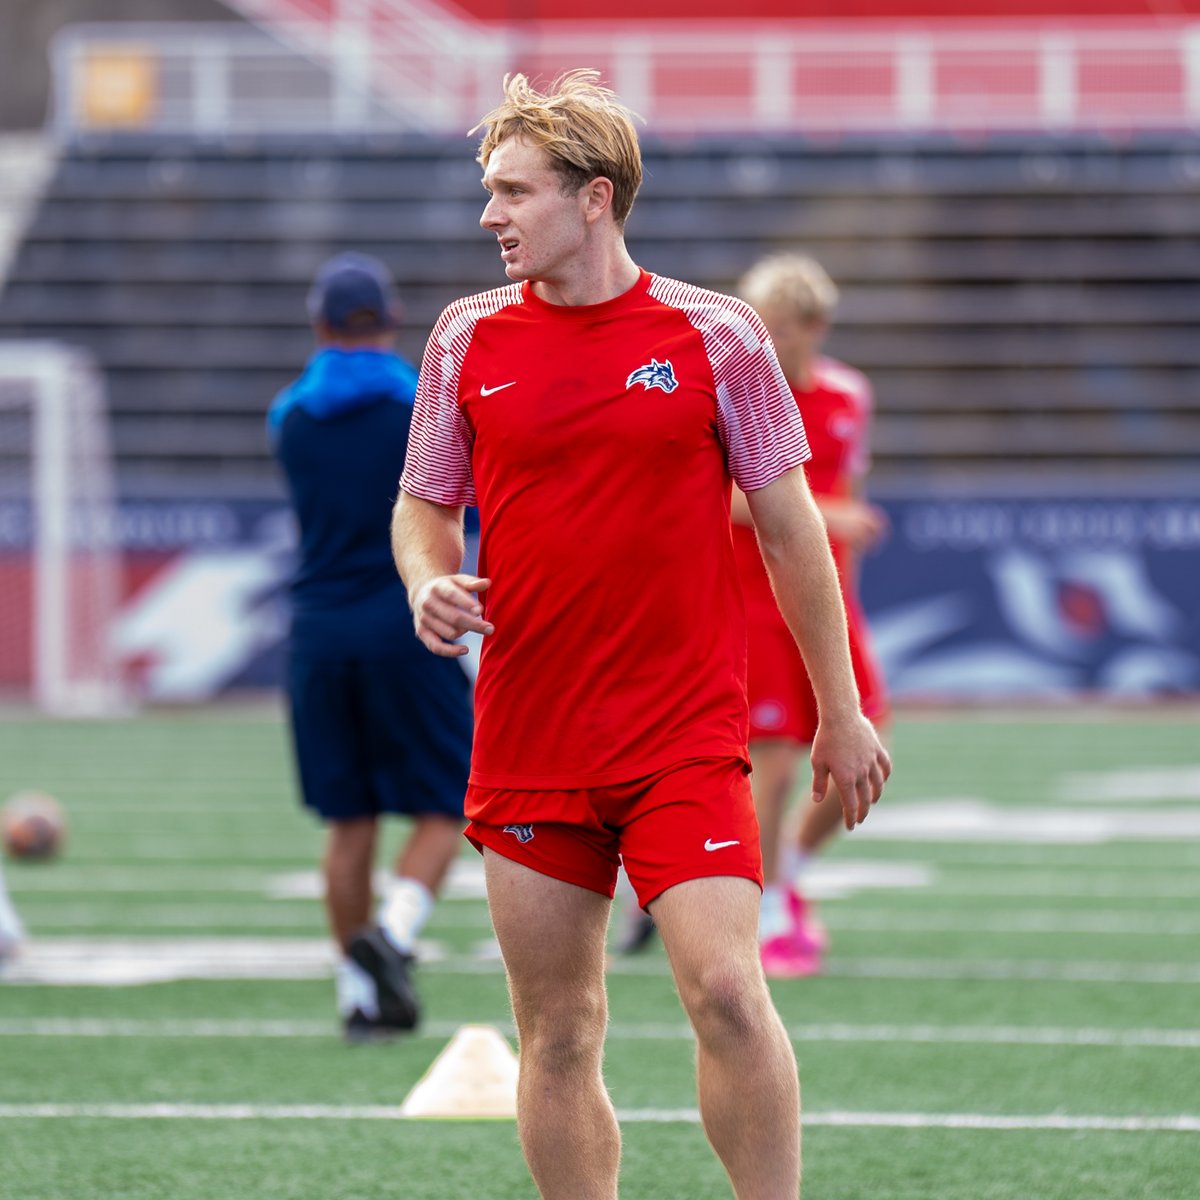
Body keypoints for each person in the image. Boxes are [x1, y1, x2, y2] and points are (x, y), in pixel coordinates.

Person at [392, 71, 890, 1199]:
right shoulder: (464, 337)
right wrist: (426, 578)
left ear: (596, 198)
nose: (491, 217)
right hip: (528, 736)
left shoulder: (720, 334)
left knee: (725, 991)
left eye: (515, 192)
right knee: (557, 1031)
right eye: (490, 192)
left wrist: (841, 712)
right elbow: (423, 503)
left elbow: (791, 531)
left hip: (681, 734)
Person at [268, 252, 471, 1042]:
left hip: (316, 633)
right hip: (404, 622)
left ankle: (359, 994)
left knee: (347, 822)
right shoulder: (418, 407)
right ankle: (393, 934)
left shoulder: (289, 416)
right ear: (389, 322)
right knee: (445, 801)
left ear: (321, 324)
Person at [732, 253, 891, 978]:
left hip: (828, 600)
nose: (763, 343)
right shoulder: (739, 394)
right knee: (773, 764)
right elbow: (725, 497)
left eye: (778, 330)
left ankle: (786, 869)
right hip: (756, 596)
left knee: (868, 742)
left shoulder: (849, 396)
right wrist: (831, 517)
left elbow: (845, 485)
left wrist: (843, 522)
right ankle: (766, 917)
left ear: (814, 328)